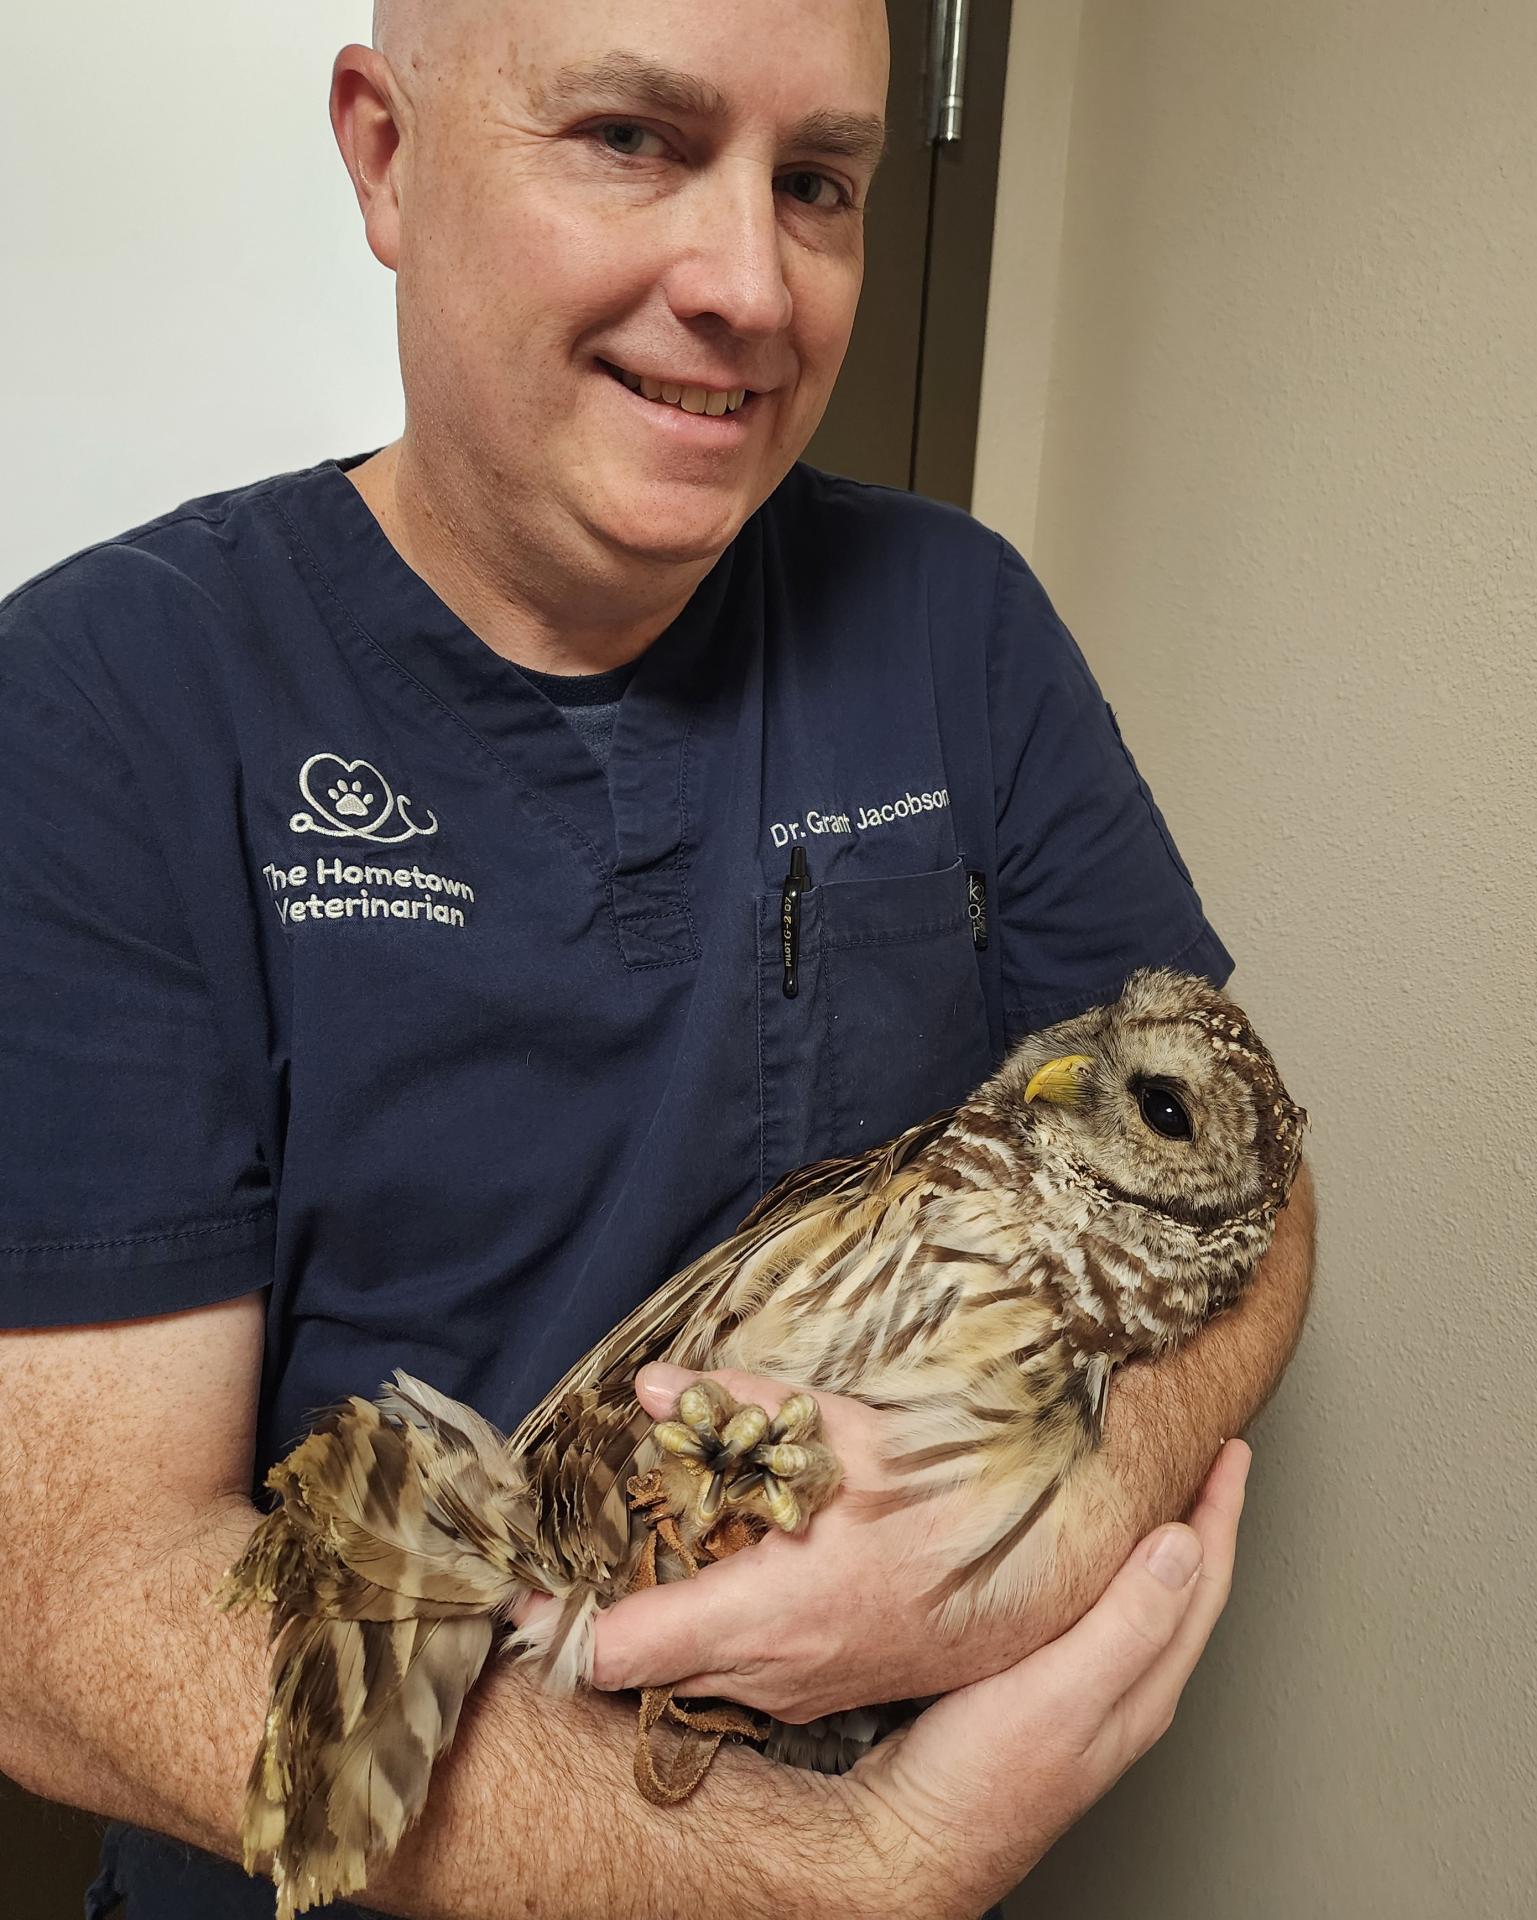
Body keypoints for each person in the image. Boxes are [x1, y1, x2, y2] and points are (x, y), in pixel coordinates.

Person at [0, 2, 1314, 1916]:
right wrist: (849, 1870)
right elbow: (66, 1616)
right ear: (383, 155)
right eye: (629, 137)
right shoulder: (102, 708)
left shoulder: (959, 625)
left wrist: (1072, 1508)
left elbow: (1238, 1182)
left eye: (819, 184)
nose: (748, 286)